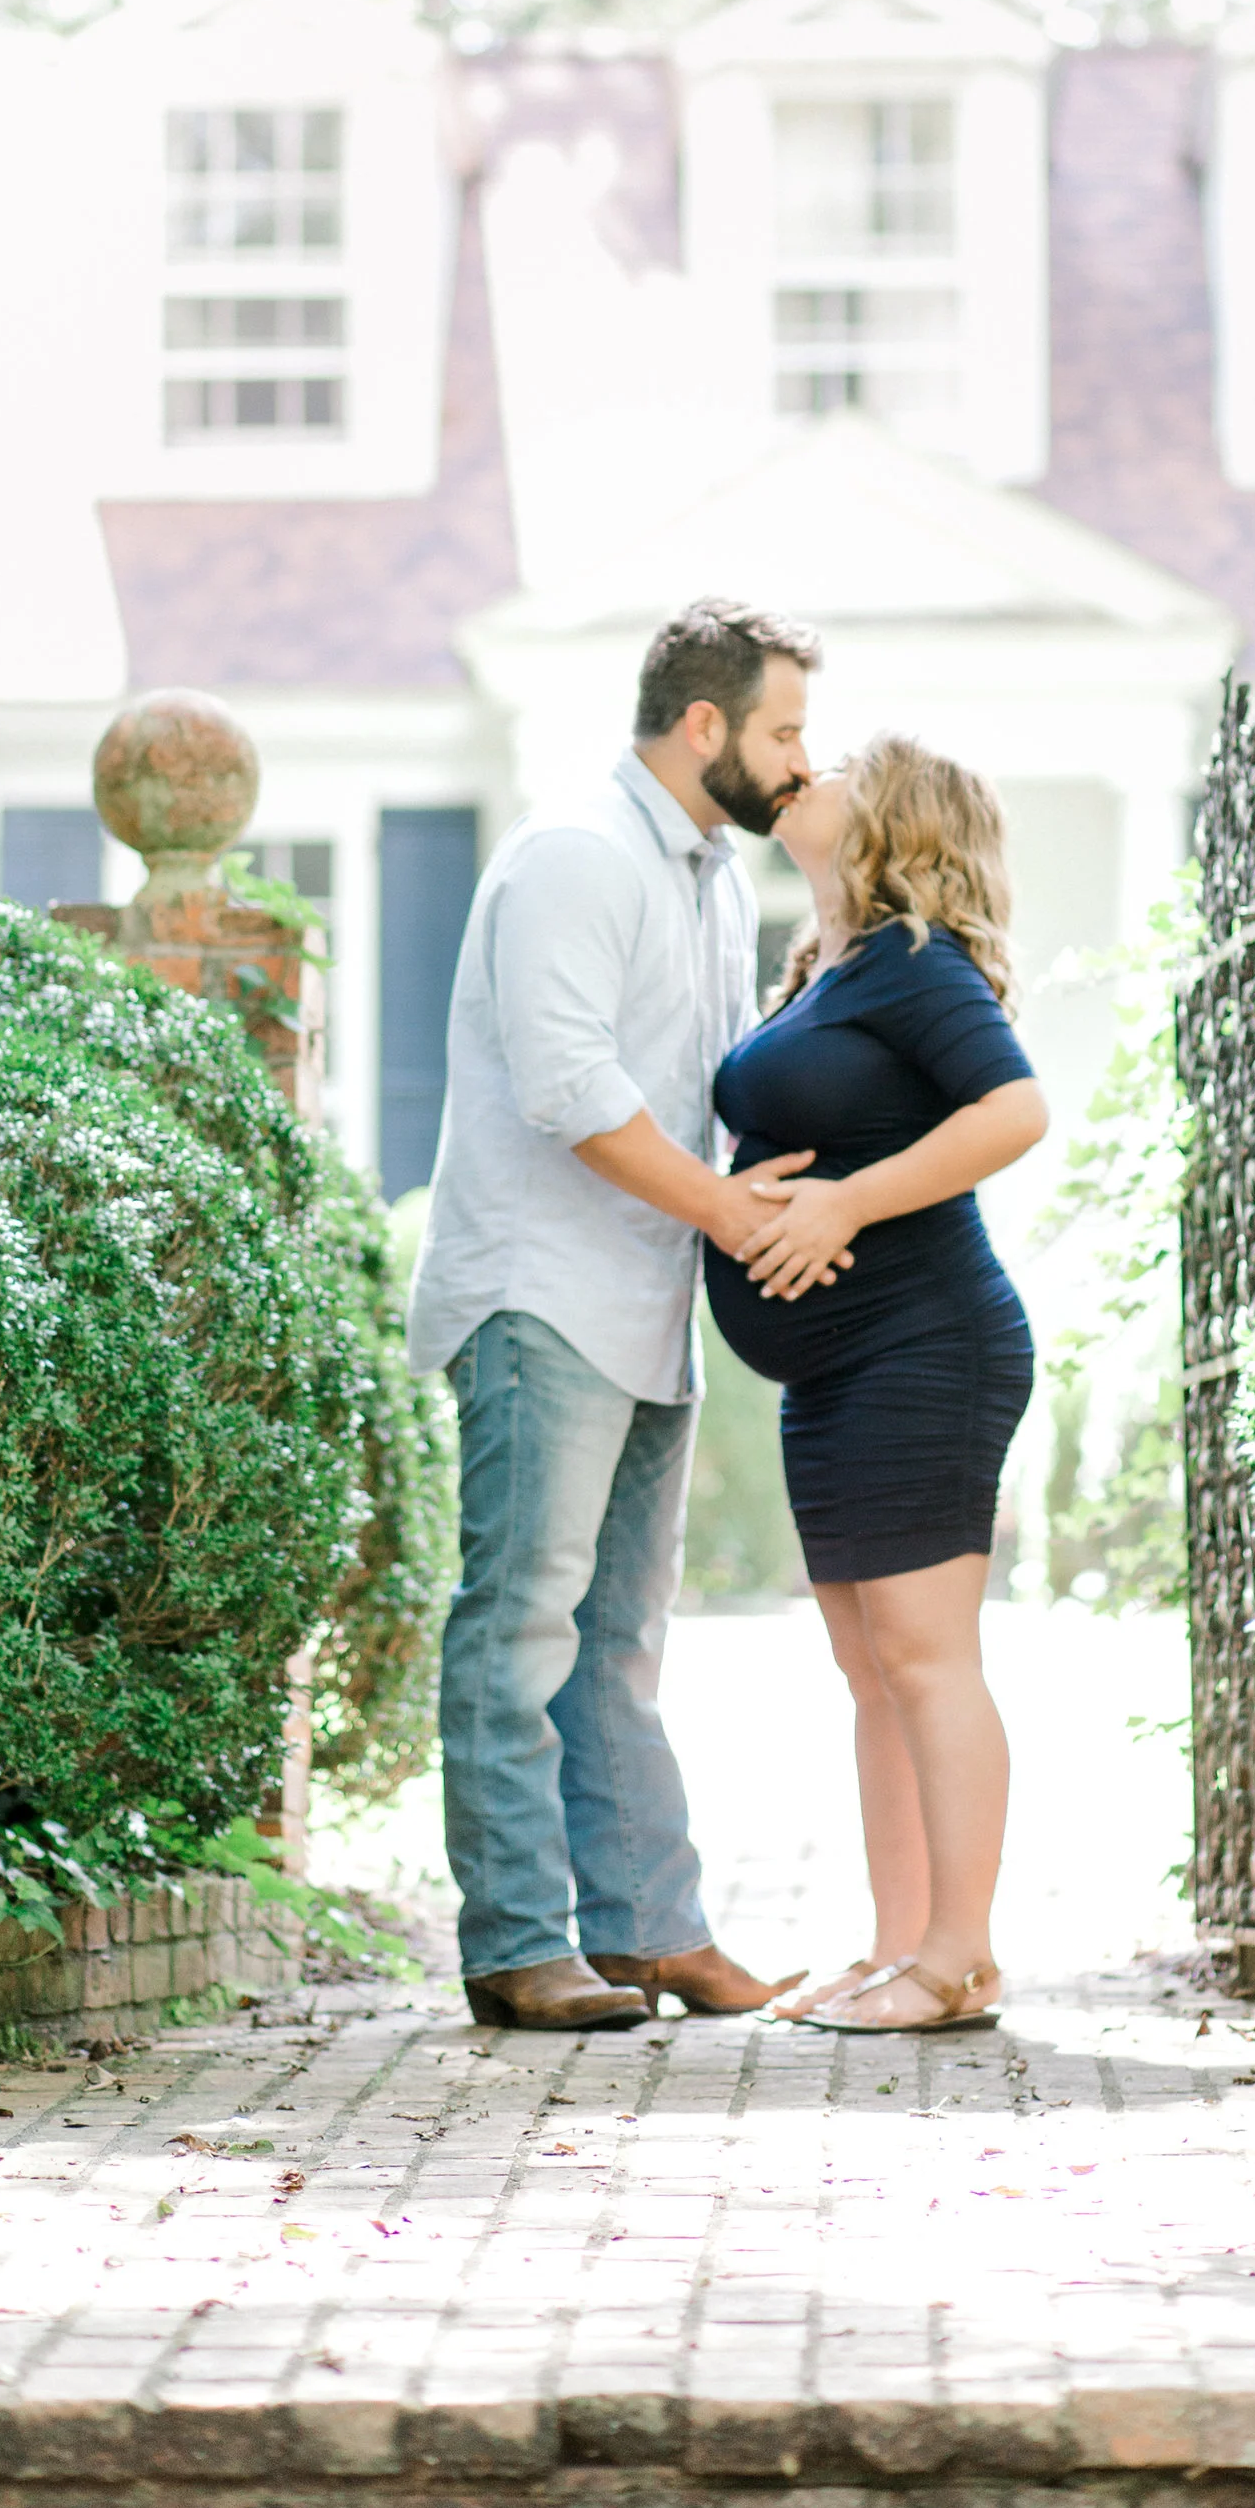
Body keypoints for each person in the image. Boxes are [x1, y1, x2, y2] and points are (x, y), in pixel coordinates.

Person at [407, 596, 824, 2030]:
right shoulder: (578, 852)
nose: (798, 760)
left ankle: (649, 1929)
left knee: (622, 1640)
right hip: (543, 1295)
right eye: (783, 729)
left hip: (650, 1299)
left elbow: (700, 1078)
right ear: (703, 724)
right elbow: (568, 1082)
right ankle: (520, 1943)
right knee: (520, 1626)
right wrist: (727, 1210)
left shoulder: (711, 874)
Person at [703, 736, 1048, 2036]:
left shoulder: (916, 962)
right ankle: (901, 1943)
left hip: (926, 1346)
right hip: (840, 1363)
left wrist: (843, 1197)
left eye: (838, 760)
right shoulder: (829, 967)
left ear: (896, 816)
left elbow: (1013, 1110)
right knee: (869, 1668)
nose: (805, 769)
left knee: (926, 1655)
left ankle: (961, 1958)